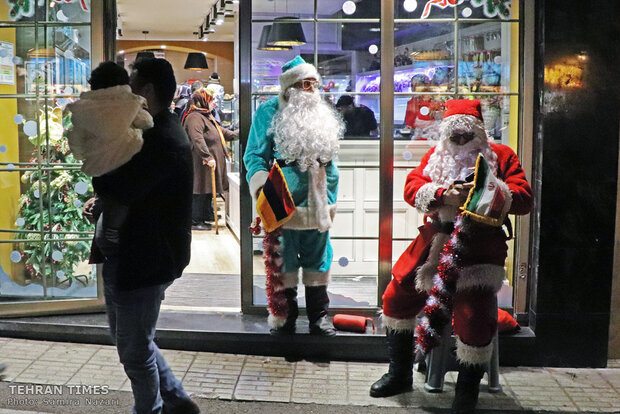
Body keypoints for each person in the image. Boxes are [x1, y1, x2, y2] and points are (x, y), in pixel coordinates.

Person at [370, 99, 532, 414]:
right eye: (454, 135)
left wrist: (487, 190)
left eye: (465, 134)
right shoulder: (435, 155)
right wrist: (443, 194)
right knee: (395, 297)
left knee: (474, 318)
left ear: (479, 131)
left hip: (480, 244)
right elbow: (412, 187)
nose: (459, 140)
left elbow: (523, 198)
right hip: (436, 240)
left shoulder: (501, 156)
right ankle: (399, 374)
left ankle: (466, 391)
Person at [91, 58, 200, 414]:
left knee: (135, 351)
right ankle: (178, 402)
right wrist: (103, 201)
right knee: (133, 342)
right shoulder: (151, 128)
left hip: (146, 255)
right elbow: (128, 188)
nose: (125, 90)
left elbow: (123, 186)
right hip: (134, 252)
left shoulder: (161, 137)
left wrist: (103, 185)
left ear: (148, 90)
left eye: (131, 82)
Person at [244, 56, 345, 336]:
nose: (312, 89)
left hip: (318, 199)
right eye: (305, 84)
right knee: (283, 259)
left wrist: (331, 188)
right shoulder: (268, 111)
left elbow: (331, 159)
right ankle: (285, 316)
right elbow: (253, 155)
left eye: (314, 83)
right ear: (290, 88)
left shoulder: (322, 113)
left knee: (319, 258)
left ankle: (318, 316)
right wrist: (263, 190)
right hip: (283, 200)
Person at [67, 61, 153, 245]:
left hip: (98, 165)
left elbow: (76, 139)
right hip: (126, 159)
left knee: (108, 196)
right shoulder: (130, 105)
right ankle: (112, 232)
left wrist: (88, 151)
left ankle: (107, 231)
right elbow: (146, 122)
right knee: (119, 200)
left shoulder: (84, 108)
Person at [183, 89, 238, 230]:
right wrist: (207, 156)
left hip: (207, 162)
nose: (214, 102)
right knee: (199, 188)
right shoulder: (195, 117)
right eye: (211, 99)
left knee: (206, 188)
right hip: (200, 162)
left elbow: (221, 132)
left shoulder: (206, 116)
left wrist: (238, 132)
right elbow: (197, 139)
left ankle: (206, 214)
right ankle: (195, 221)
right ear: (203, 100)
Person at [404, 75, 442, 140]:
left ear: (426, 86)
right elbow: (408, 123)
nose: (413, 88)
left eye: (417, 85)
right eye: (412, 85)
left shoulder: (433, 102)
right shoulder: (412, 102)